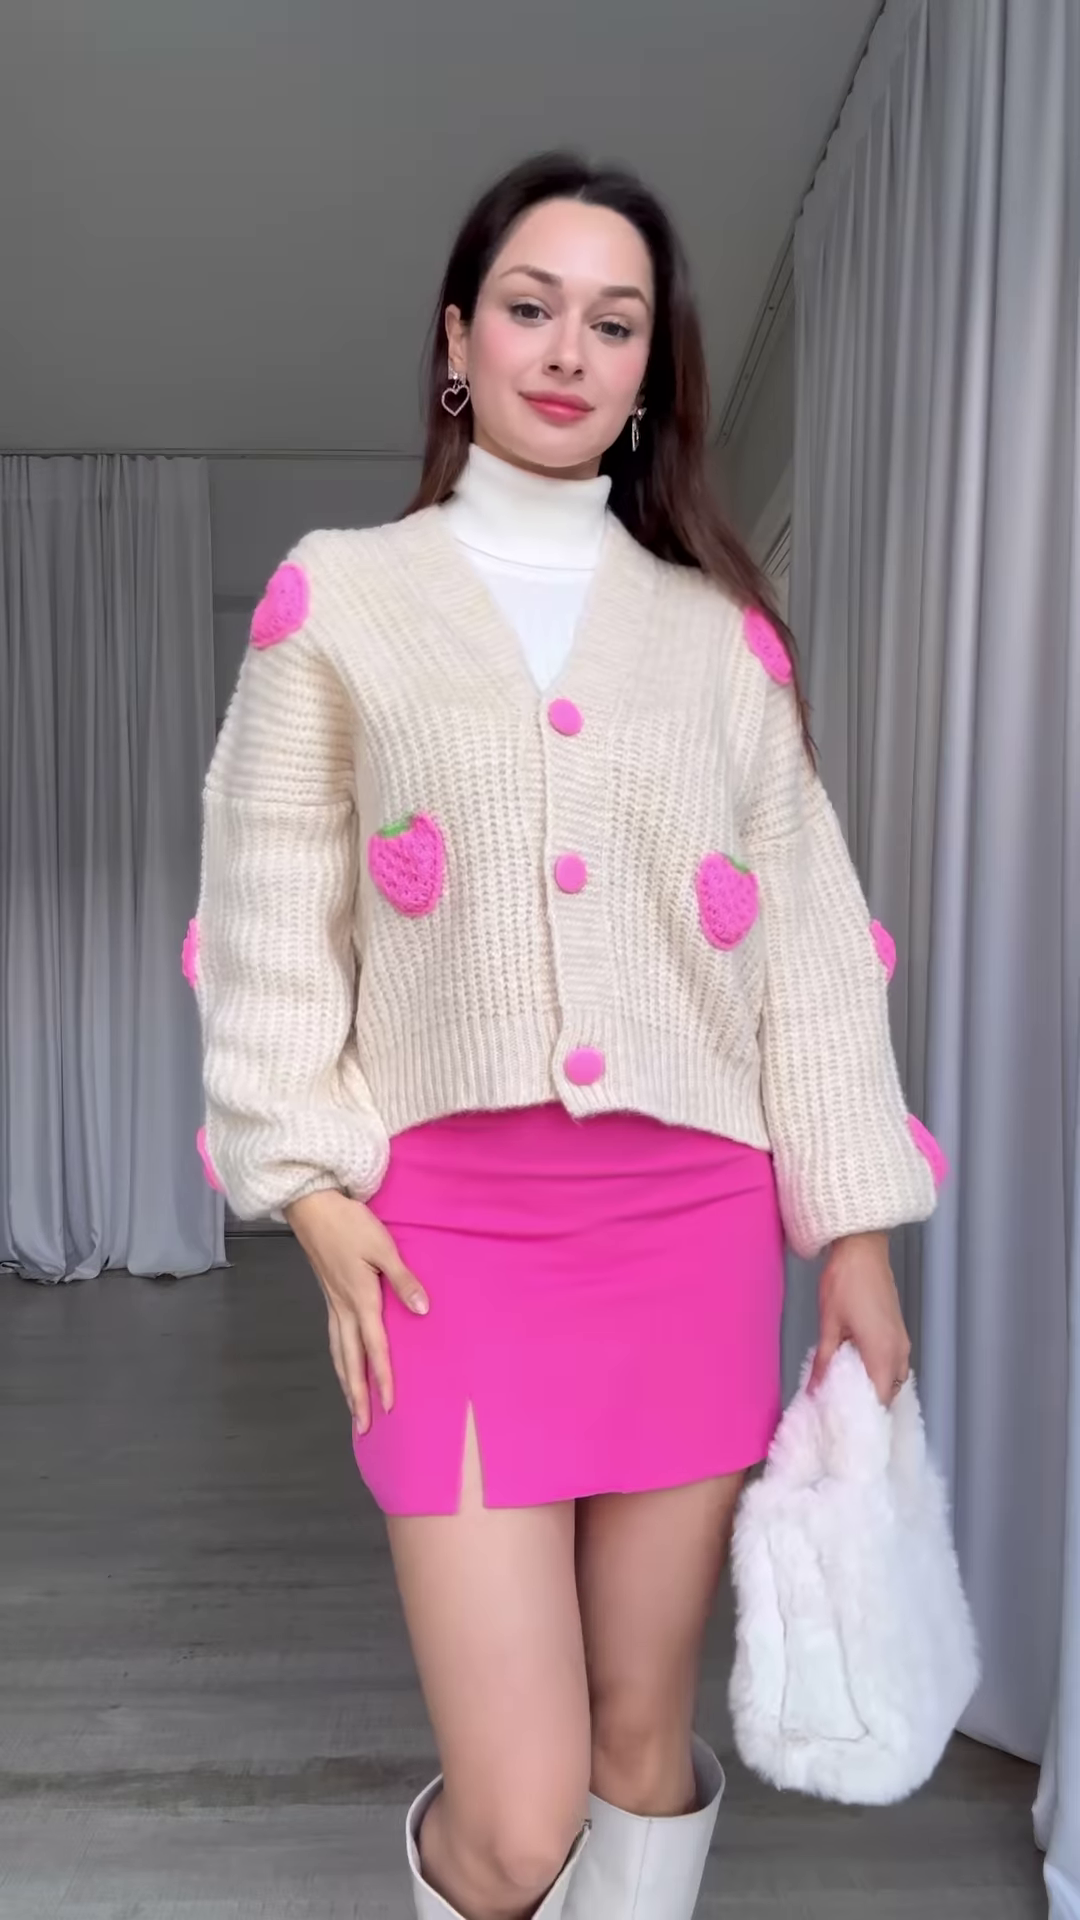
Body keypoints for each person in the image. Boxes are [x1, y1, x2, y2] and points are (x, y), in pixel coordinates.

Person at [188, 153, 946, 1920]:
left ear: (649, 372)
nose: (568, 351)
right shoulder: (339, 599)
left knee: (639, 1741)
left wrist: (856, 1238)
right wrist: (308, 1191)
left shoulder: (721, 642)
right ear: (459, 341)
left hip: (690, 1232)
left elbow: (810, 946)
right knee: (523, 1818)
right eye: (531, 308)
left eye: (615, 324)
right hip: (445, 1245)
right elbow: (268, 916)